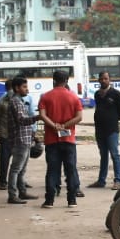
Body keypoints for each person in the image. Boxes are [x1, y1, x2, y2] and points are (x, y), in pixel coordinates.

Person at [38, 68, 83, 208]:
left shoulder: (45, 97)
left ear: (54, 80)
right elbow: (79, 117)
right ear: (67, 80)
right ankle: (71, 200)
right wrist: (64, 126)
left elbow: (42, 115)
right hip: (69, 140)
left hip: (51, 140)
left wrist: (55, 126)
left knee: (52, 170)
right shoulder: (73, 97)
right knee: (70, 169)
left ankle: (50, 200)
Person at [4, 76, 41, 204]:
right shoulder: (16, 102)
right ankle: (12, 195)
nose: (27, 89)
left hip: (24, 139)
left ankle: (22, 192)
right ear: (17, 88)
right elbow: (22, 120)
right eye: (24, 87)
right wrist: (37, 117)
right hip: (20, 140)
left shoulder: (19, 101)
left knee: (22, 169)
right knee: (16, 169)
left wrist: (32, 135)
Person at [90, 71, 120, 189]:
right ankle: (101, 181)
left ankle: (118, 180)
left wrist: (113, 119)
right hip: (99, 130)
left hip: (111, 129)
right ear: (98, 80)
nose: (103, 81)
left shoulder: (116, 94)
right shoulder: (97, 94)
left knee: (115, 154)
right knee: (103, 155)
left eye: (105, 78)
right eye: (101, 79)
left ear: (109, 80)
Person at [0, 79, 14, 189]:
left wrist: (2, 128)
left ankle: (3, 181)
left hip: (5, 134)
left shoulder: (1, 101)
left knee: (5, 159)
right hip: (16, 135)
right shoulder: (22, 99)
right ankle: (17, 182)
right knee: (18, 161)